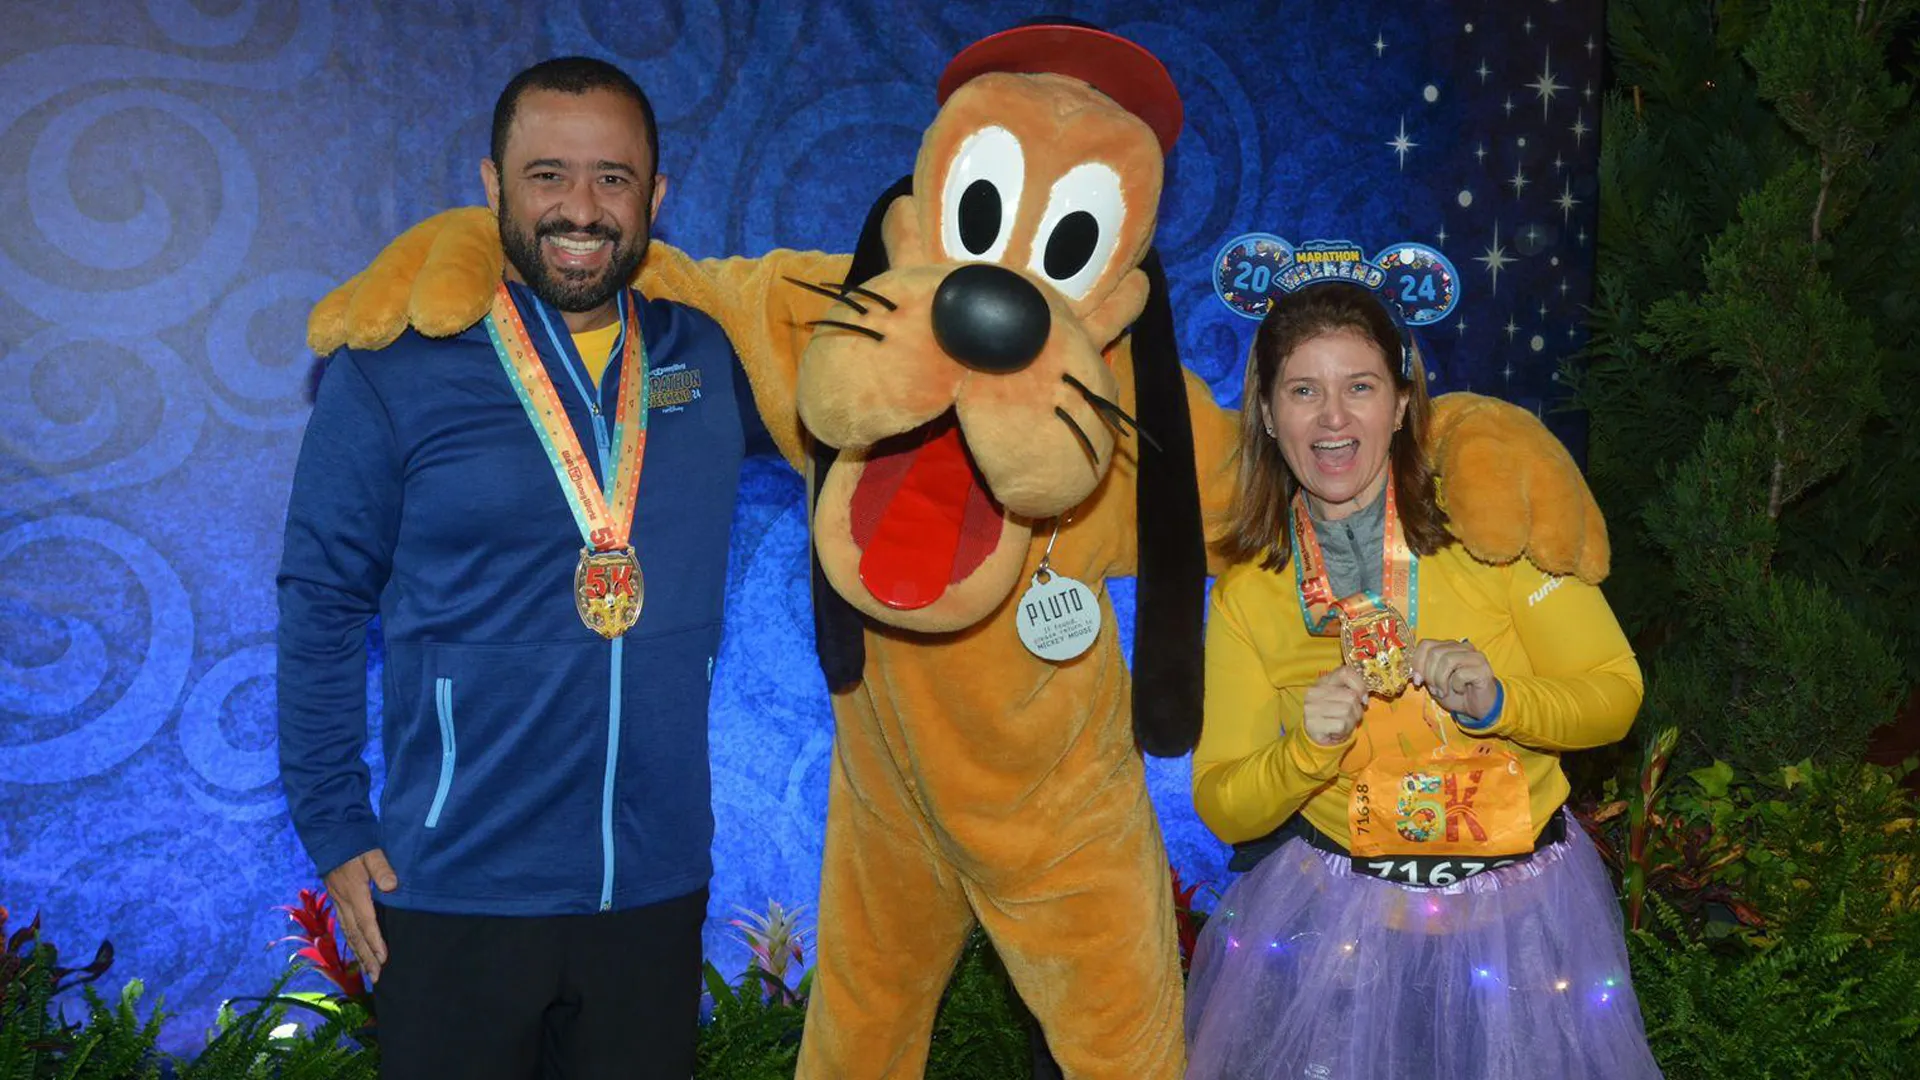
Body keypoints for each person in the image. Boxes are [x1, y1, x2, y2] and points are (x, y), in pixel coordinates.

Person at [277, 56, 768, 1080]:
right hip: (454, 883)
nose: (579, 209)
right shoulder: (391, 366)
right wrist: (332, 818)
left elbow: (876, 404)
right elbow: (320, 600)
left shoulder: (713, 357)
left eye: (612, 178)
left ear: (656, 199)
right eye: (547, 176)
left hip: (655, 884)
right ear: (494, 188)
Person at [1184, 281, 1662, 1079]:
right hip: (1339, 925)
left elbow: (1616, 692)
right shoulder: (1252, 591)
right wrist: (1306, 750)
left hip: (1522, 918)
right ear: (1267, 414)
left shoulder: (1489, 529)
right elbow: (1223, 801)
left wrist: (1503, 701)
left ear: (1403, 403)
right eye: (1304, 391)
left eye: (1360, 388)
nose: (1333, 418)